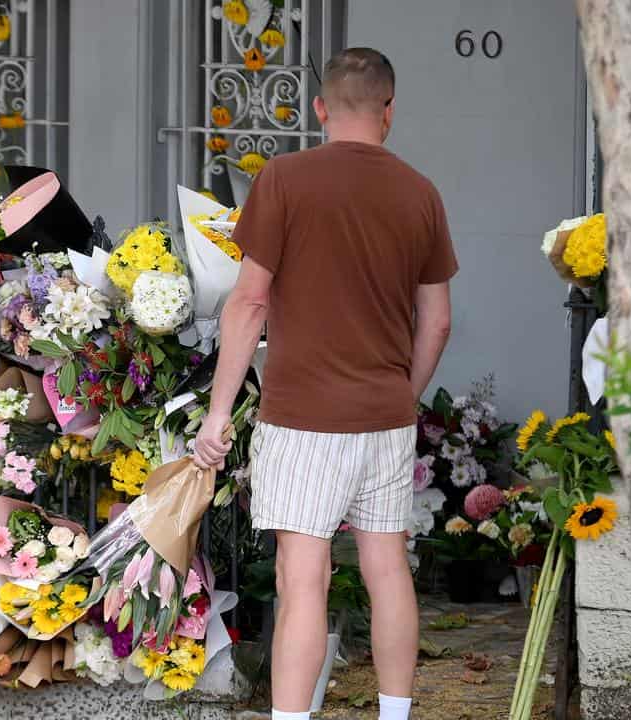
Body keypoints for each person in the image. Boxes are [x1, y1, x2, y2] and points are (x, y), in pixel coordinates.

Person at [194, 47, 457, 720]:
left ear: (320, 107)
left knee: (302, 579)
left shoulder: (284, 179)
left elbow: (249, 304)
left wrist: (218, 414)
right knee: (387, 568)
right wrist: (405, 393)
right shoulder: (420, 191)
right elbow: (438, 322)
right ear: (389, 111)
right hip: (385, 415)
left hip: (303, 415)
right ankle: (395, 716)